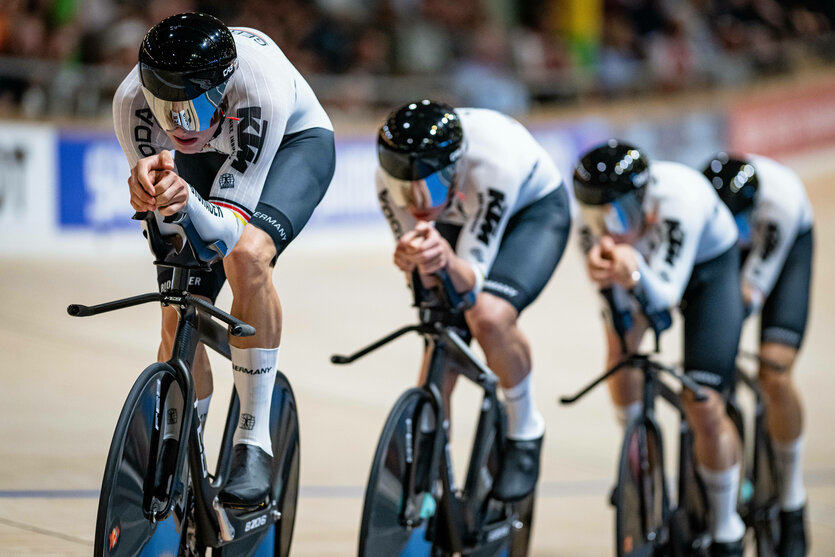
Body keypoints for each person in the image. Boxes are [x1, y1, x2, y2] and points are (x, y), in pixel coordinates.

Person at [112, 12, 335, 509]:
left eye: (192, 105)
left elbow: (225, 235)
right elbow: (176, 236)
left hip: (291, 149)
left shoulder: (259, 91)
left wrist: (185, 201)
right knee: (177, 292)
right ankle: (178, 435)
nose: (177, 122)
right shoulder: (129, 102)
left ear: (221, 87)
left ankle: (253, 439)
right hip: (208, 157)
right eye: (164, 107)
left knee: (247, 257)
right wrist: (158, 199)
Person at [376, 100, 572, 502]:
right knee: (440, 336)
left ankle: (524, 427)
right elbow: (424, 266)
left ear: (452, 169)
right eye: (404, 189)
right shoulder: (386, 177)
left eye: (427, 186)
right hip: (458, 212)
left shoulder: (492, 164)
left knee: (487, 316)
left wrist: (444, 261)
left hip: (530, 214)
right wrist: (415, 260)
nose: (415, 200)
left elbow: (469, 280)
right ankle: (430, 464)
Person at [573, 140, 746, 556]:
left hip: (708, 271)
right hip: (642, 269)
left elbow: (665, 294)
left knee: (703, 404)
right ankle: (639, 460)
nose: (609, 226)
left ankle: (727, 526)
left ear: (645, 198)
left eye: (619, 213)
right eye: (599, 217)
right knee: (620, 352)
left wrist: (631, 269)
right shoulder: (589, 229)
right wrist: (617, 289)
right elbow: (619, 311)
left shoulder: (679, 199)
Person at [703, 152, 813, 557]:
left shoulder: (779, 200)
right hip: (726, 245)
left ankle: (791, 499)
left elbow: (752, 291)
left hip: (785, 246)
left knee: (774, 370)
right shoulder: (703, 202)